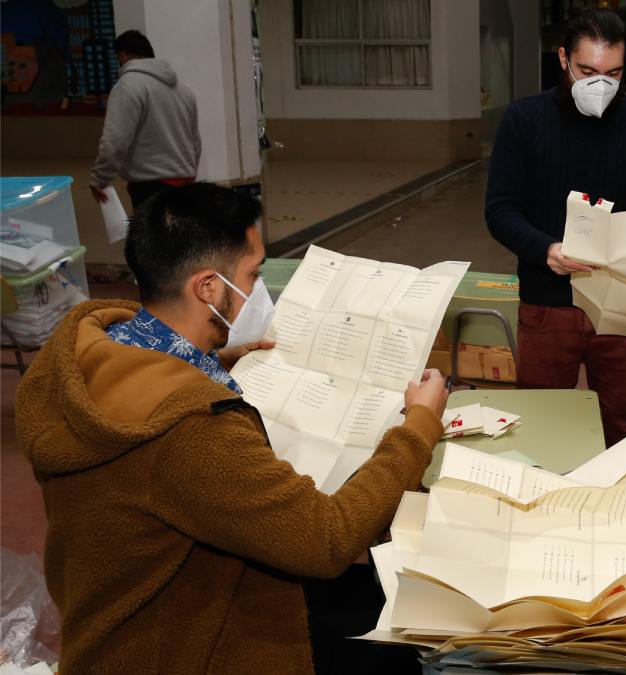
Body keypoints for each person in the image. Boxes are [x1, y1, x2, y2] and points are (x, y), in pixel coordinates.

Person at [15, 183, 449, 672]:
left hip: (120, 627)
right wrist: (418, 427)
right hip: (181, 649)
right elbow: (327, 539)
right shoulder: (189, 428)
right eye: (252, 274)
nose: (259, 290)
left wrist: (210, 358)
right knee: (397, 628)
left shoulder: (93, 353)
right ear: (208, 288)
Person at [485, 8, 626, 447]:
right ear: (563, 58)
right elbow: (501, 210)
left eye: (613, 73)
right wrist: (546, 249)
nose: (601, 84)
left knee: (617, 429)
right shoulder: (524, 122)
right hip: (549, 308)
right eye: (588, 71)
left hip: (624, 306)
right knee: (542, 430)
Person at [90, 30, 201, 209]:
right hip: (185, 182)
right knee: (178, 236)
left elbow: (116, 141)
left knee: (152, 237)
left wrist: (99, 179)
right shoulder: (183, 88)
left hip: (151, 187)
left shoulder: (128, 86)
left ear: (123, 57)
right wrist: (189, 172)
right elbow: (195, 141)